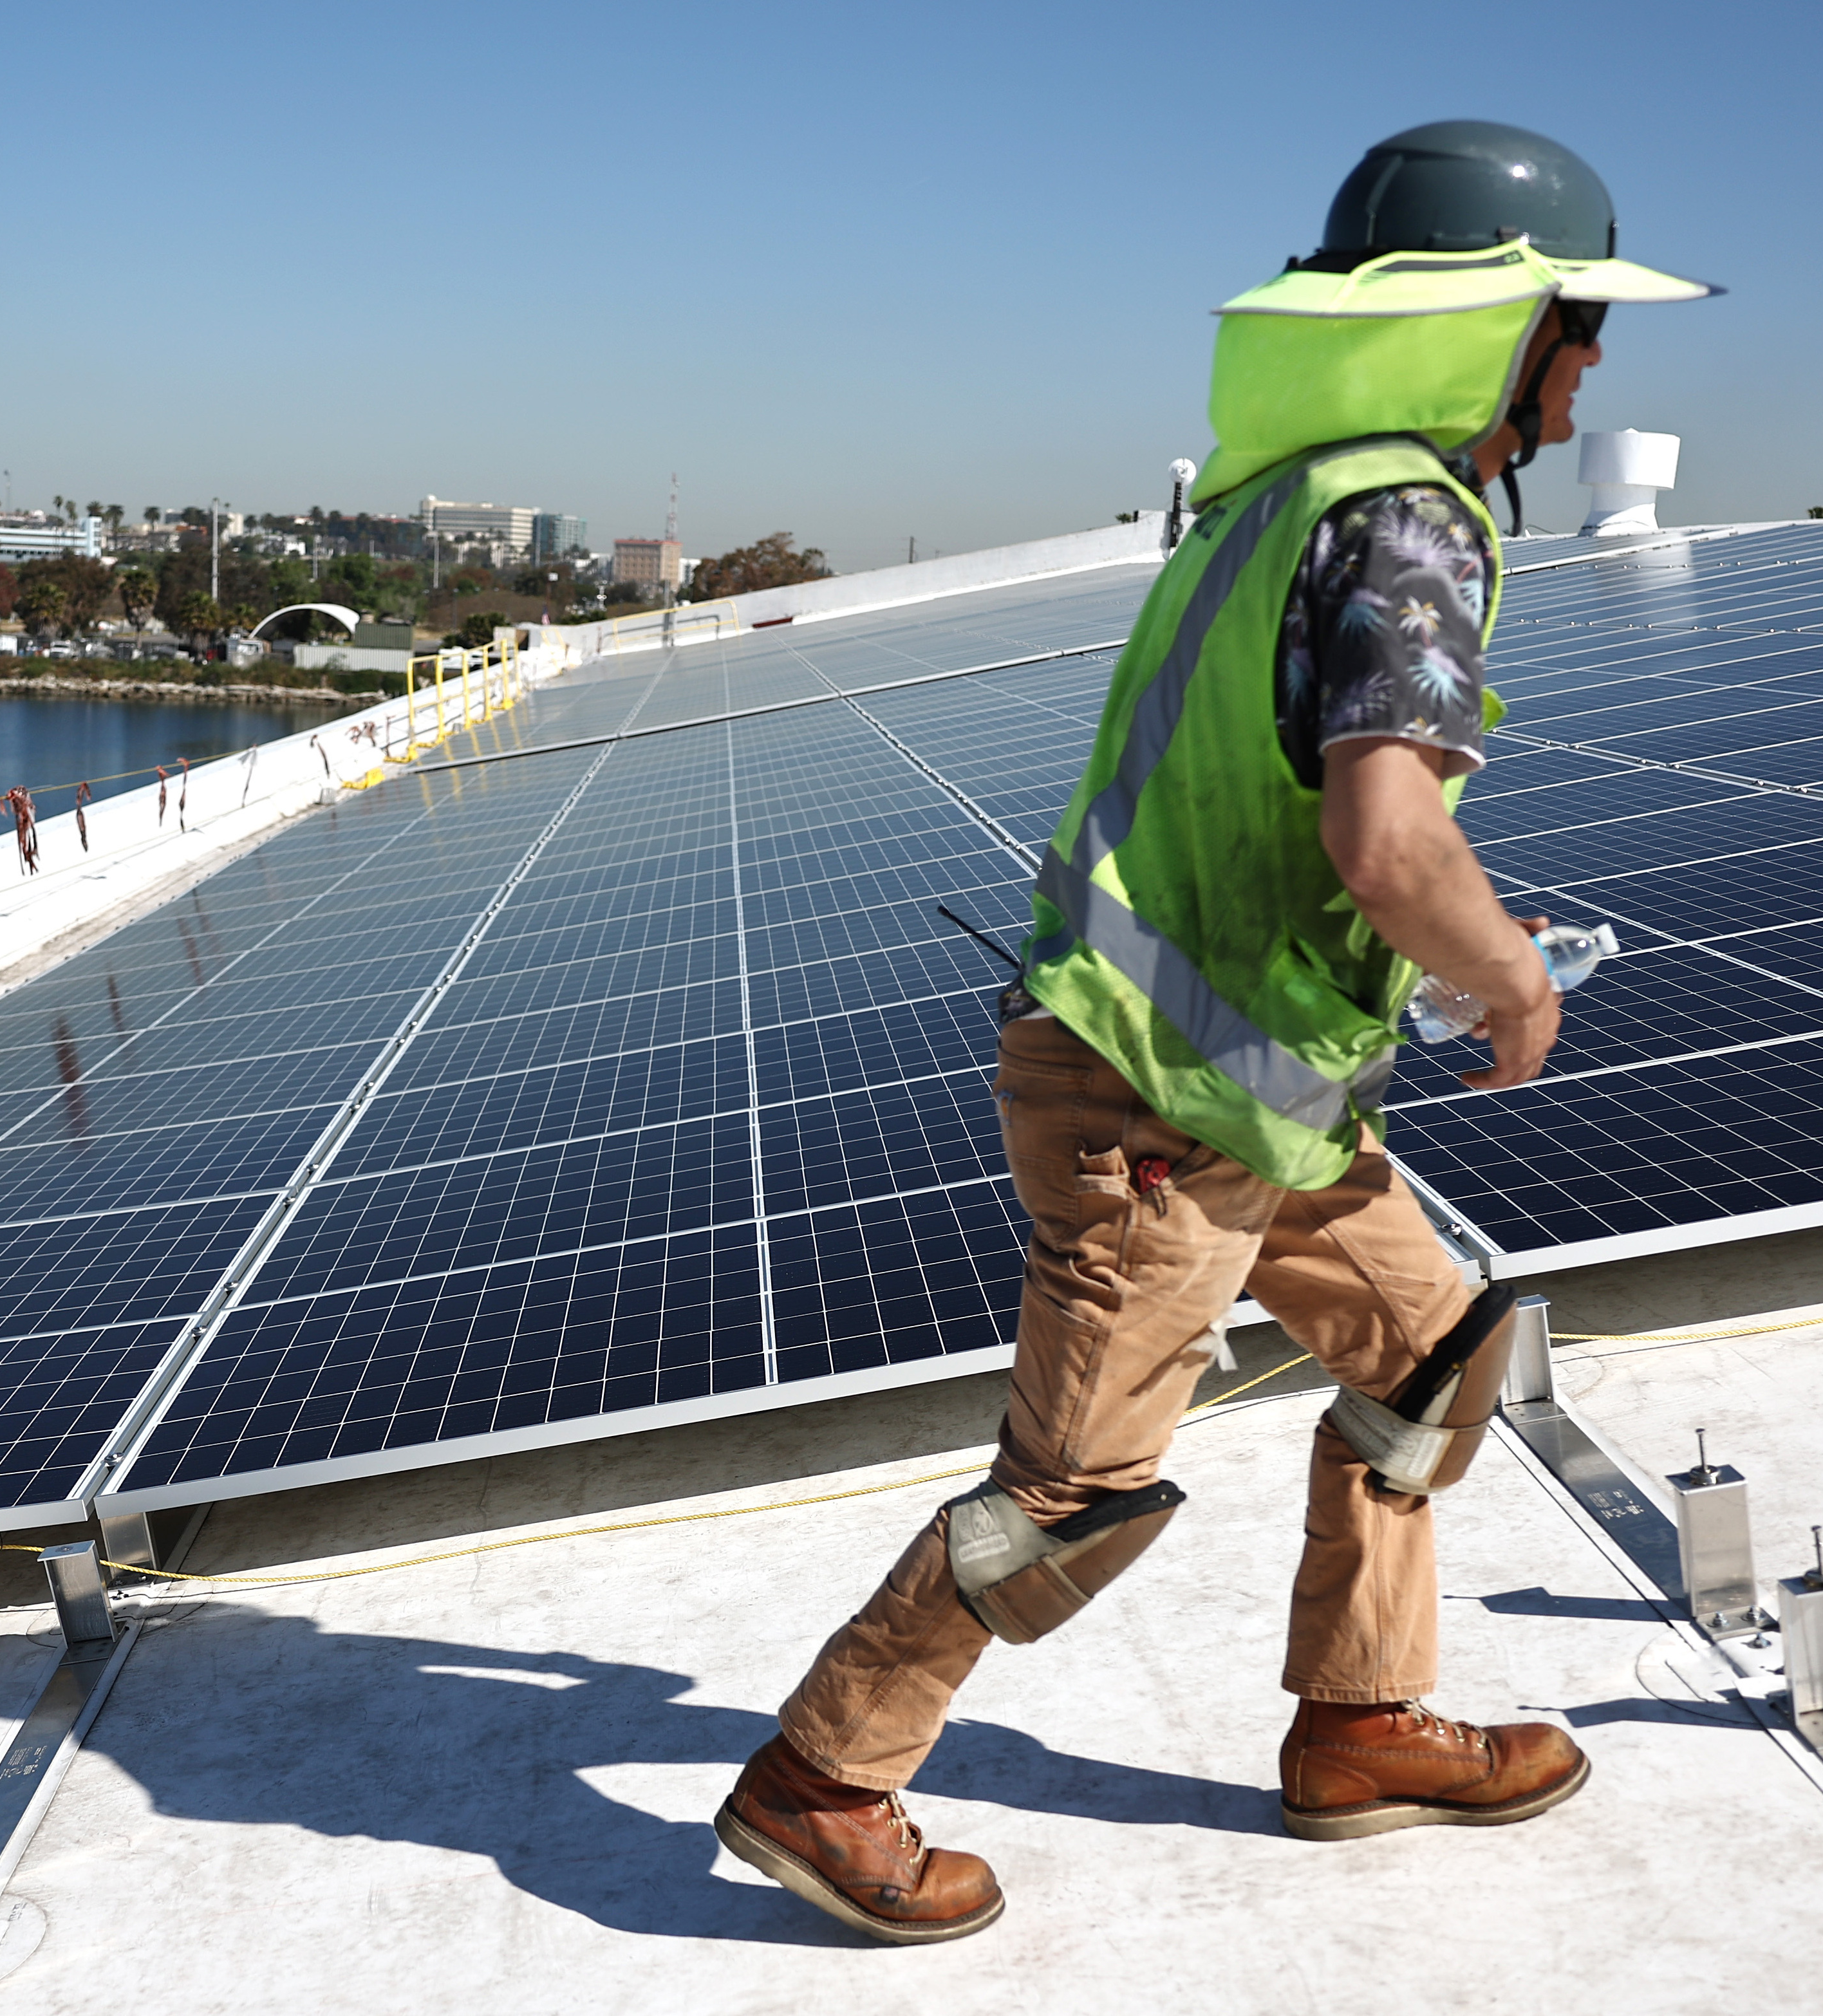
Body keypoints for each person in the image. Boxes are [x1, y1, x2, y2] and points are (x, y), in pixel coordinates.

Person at [715, 121, 1719, 1946]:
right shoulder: (1405, 519)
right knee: (1073, 1499)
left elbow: (1305, 821)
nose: (1585, 376)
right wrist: (1506, 973)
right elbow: (1384, 833)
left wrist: (1407, 956)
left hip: (1254, 1091)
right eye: (1571, 330)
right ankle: (822, 1777)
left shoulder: (1283, 499)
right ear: (1486, 332)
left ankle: (1356, 1721)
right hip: (1154, 1101)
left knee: (1430, 1355)